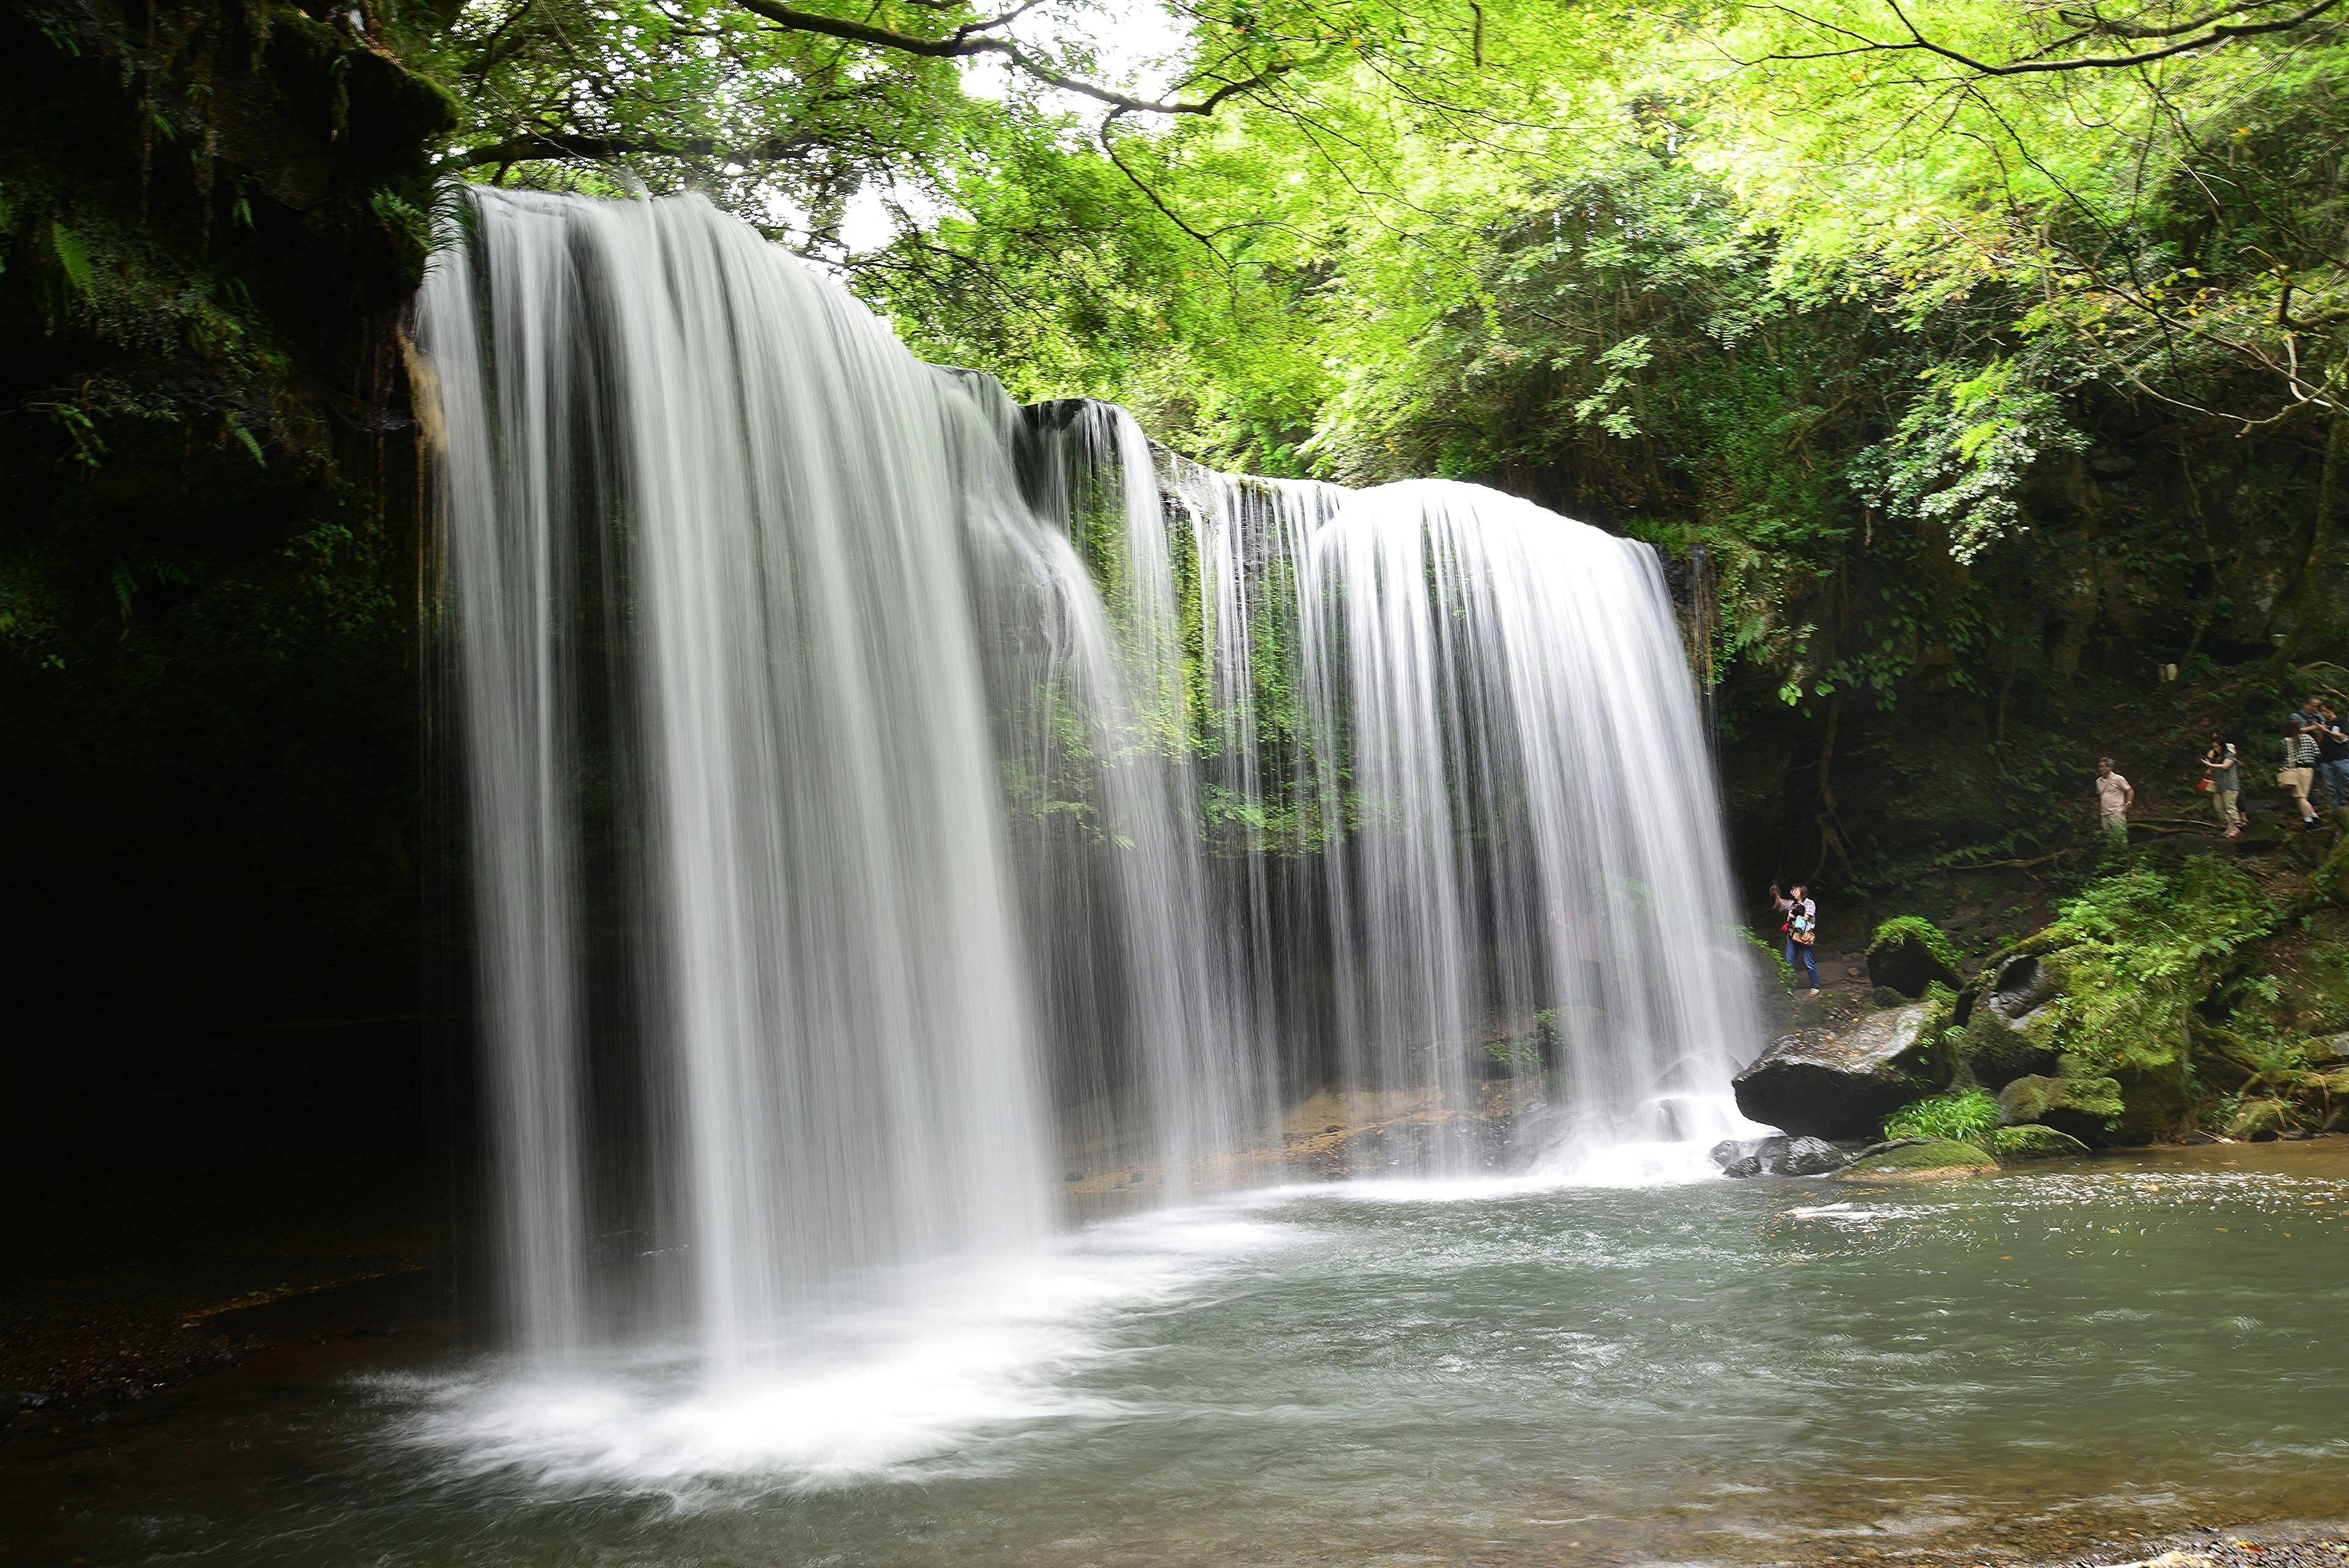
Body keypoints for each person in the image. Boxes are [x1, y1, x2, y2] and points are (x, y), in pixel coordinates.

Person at [1768, 880, 1820, 998]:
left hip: (1804, 937)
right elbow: (1781, 903)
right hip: (1792, 936)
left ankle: (1815, 987)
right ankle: (1788, 988)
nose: (1794, 892)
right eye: (1793, 890)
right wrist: (1776, 894)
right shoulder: (1792, 903)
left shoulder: (1810, 903)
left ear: (1802, 891)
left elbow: (1805, 919)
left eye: (1796, 890)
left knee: (1809, 963)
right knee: (1789, 964)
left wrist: (1795, 912)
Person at [2199, 730, 2242, 838]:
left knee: (2230, 807)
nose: (2216, 749)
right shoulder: (2217, 758)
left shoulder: (2230, 755)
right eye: (2214, 747)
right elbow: (2215, 768)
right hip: (2219, 786)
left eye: (2217, 747)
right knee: (2218, 808)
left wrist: (2210, 765)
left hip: (2230, 785)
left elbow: (2225, 766)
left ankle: (2236, 828)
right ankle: (2230, 825)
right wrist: (2210, 766)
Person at [2280, 718, 2320, 829]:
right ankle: (2314, 816)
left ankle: (2308, 820)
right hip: (2310, 769)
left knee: (2300, 797)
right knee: (2304, 796)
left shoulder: (2286, 741)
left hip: (2297, 770)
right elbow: (2317, 752)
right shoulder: (2308, 737)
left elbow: (2285, 755)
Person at [2314, 702, 2349, 814]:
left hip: (2340, 757)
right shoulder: (2323, 724)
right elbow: (2320, 744)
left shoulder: (2341, 721)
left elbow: (2342, 736)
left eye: (2325, 711)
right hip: (2325, 759)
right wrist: (2321, 732)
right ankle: (2337, 811)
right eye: (2321, 711)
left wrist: (2327, 732)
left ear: (2331, 710)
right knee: (2330, 787)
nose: (2323, 713)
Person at [2094, 757, 2134, 843]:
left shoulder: (2118, 779)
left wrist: (2128, 805)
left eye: (2103, 766)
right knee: (2109, 839)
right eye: (2099, 767)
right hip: (2104, 814)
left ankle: (2123, 854)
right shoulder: (2098, 781)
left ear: (2110, 767)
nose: (2100, 769)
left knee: (2121, 837)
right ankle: (2112, 854)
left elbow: (2130, 791)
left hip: (2116, 812)